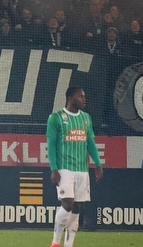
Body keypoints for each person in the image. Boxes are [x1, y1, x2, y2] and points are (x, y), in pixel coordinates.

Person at [47, 86, 104, 247]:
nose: (84, 99)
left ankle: (69, 244)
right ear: (70, 98)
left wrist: (98, 164)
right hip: (64, 168)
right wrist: (54, 168)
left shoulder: (86, 118)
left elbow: (90, 143)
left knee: (77, 207)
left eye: (84, 97)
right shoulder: (56, 118)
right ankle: (55, 242)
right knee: (67, 203)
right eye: (81, 96)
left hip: (82, 170)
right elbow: (51, 145)